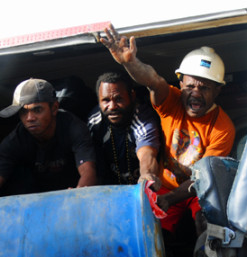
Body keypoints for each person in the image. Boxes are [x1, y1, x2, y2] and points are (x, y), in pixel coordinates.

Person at [100, 24, 235, 236]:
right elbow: (153, 81)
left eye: (204, 88)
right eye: (190, 86)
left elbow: (203, 180)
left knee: (208, 223)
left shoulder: (223, 127)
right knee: (147, 230)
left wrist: (170, 200)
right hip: (165, 185)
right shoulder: (171, 100)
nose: (196, 94)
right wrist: (131, 62)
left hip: (200, 190)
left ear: (218, 90)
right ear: (180, 83)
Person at [0, 78, 97, 203]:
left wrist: (78, 197)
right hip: (36, 200)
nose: (29, 118)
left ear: (54, 108)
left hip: (71, 194)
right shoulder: (14, 141)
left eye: (37, 110)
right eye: (23, 112)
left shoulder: (74, 128)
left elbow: (88, 171)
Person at [88, 72, 161, 188]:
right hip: (110, 189)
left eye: (118, 99)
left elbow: (147, 153)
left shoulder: (143, 118)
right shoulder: (94, 122)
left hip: (140, 188)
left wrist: (147, 175)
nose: (112, 106)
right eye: (106, 100)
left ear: (132, 96)